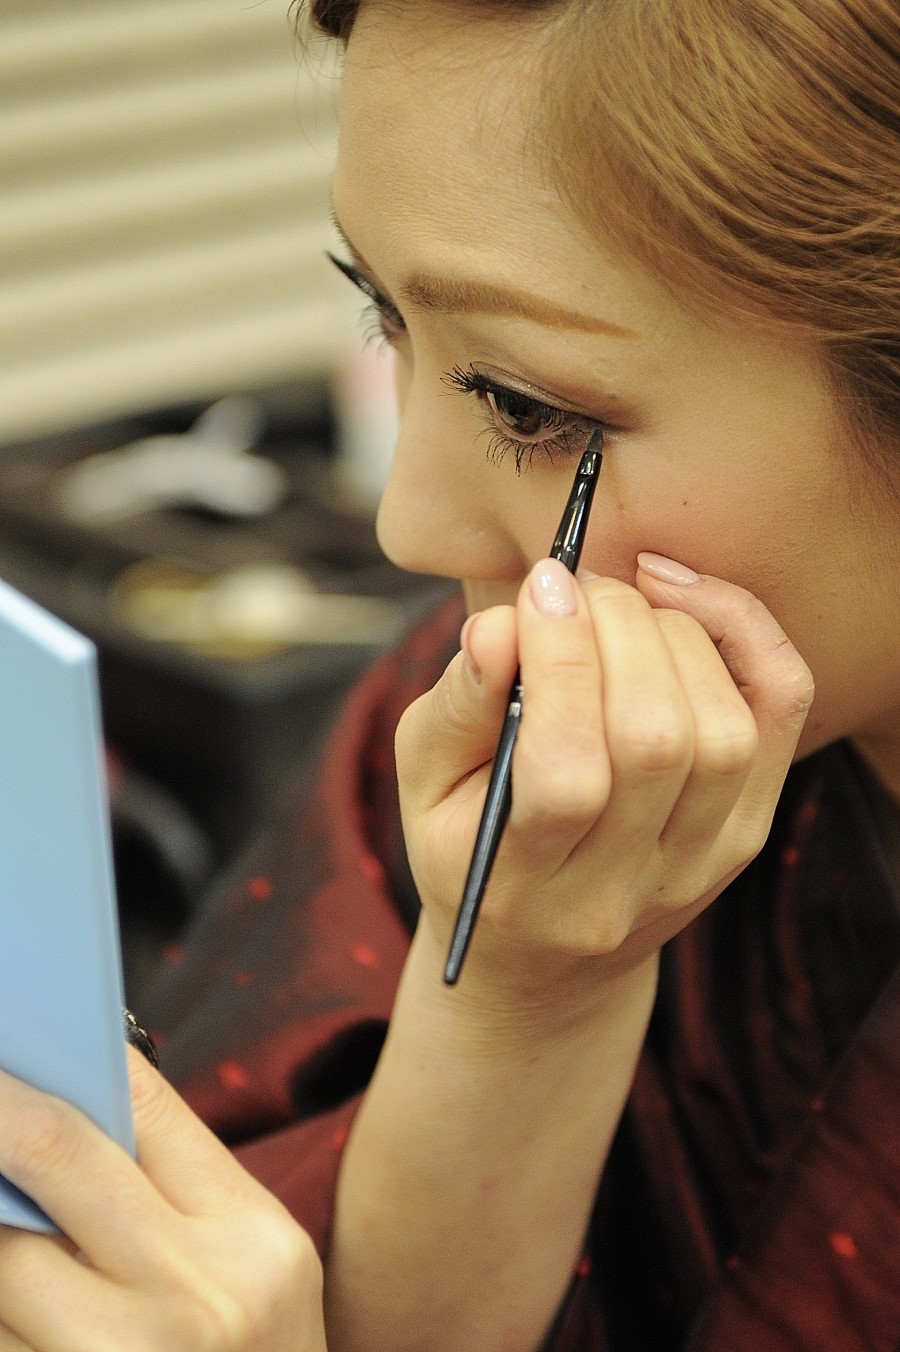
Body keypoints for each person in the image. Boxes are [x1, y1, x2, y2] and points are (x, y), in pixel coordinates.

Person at [1, 0, 898, 1347]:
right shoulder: (473, 715)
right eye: (383, 316)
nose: (406, 527)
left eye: (525, 407)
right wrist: (524, 1007)